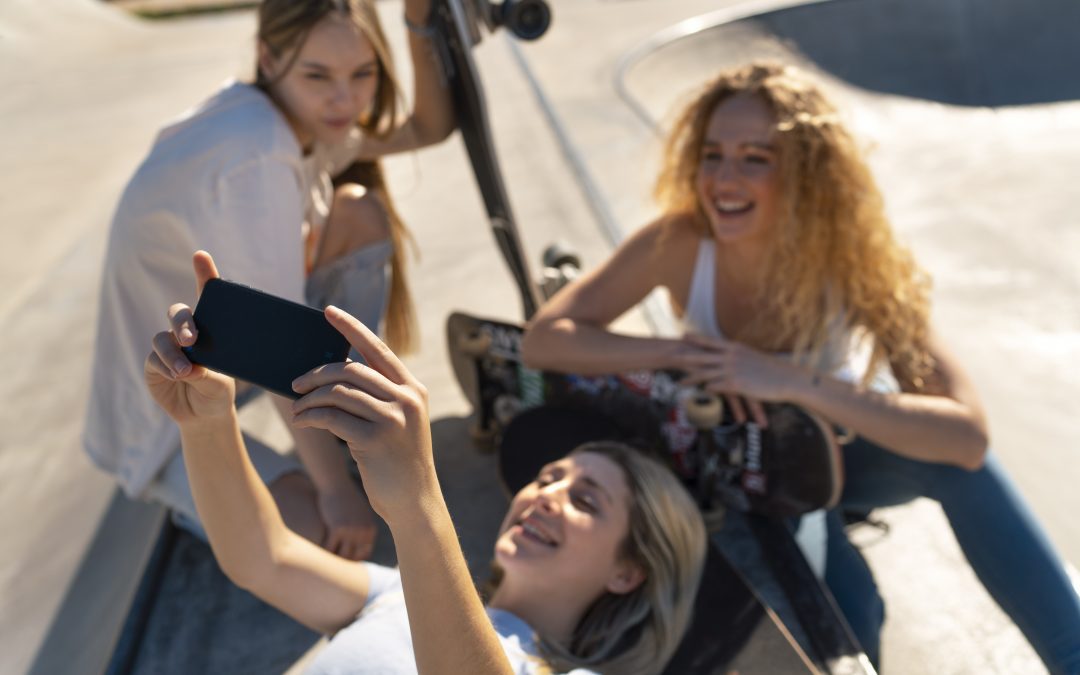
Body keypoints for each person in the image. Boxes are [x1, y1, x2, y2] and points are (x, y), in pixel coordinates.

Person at [520, 62, 1080, 672]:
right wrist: (680, 354)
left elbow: (967, 436)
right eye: (713, 155)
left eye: (755, 158)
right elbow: (545, 340)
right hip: (758, 467)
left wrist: (788, 381)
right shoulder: (681, 242)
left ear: (805, 172)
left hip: (848, 449)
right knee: (854, 612)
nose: (724, 180)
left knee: (963, 470)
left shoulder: (855, 261)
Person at [141, 251, 707, 675]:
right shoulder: (398, 593)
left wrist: (416, 502)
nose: (546, 495)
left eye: (585, 500)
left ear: (628, 572)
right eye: (547, 479)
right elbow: (264, 558)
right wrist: (206, 424)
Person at [83, 0, 455, 561]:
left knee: (357, 211)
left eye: (363, 73)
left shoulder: (295, 117)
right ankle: (198, 502)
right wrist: (336, 492)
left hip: (227, 357)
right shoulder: (255, 153)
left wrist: (418, 20)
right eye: (317, 75)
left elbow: (428, 126)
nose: (345, 99)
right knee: (324, 540)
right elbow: (278, 349)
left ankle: (340, 420)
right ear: (268, 58)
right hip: (162, 402)